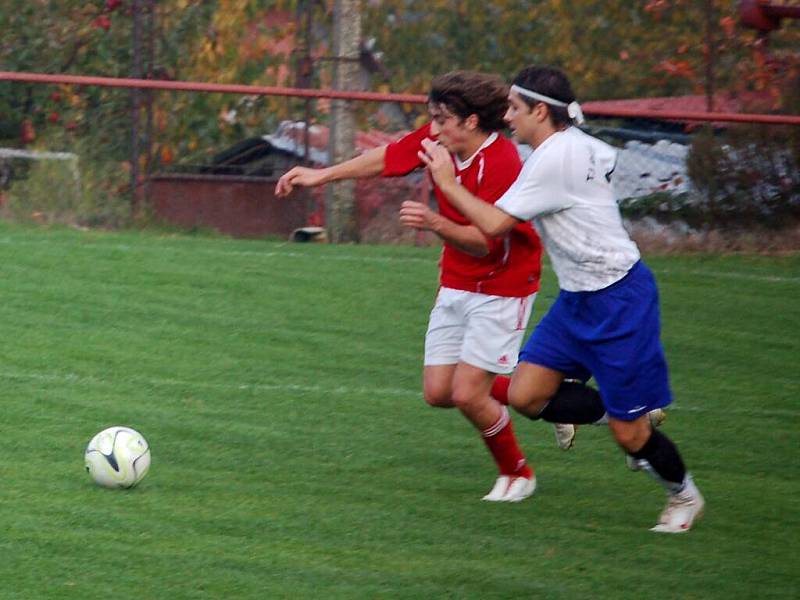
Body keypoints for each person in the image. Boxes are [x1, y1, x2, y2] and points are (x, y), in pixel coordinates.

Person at [417, 65, 704, 533]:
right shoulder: (575, 146)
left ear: (539, 111)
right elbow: (605, 158)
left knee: (630, 434)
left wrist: (447, 186)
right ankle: (625, 411)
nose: (507, 118)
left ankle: (683, 496)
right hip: (577, 298)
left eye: (514, 108)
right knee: (527, 396)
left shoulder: (552, 160)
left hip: (619, 299)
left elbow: (493, 227)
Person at [276, 71, 547, 502]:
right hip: (457, 281)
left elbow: (487, 244)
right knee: (439, 392)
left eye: (442, 120)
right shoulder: (443, 142)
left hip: (503, 286)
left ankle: (517, 473)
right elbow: (389, 157)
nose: (433, 130)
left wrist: (435, 219)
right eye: (432, 119)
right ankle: (544, 393)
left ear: (472, 122)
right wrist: (320, 175)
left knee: (465, 393)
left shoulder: (503, 163)